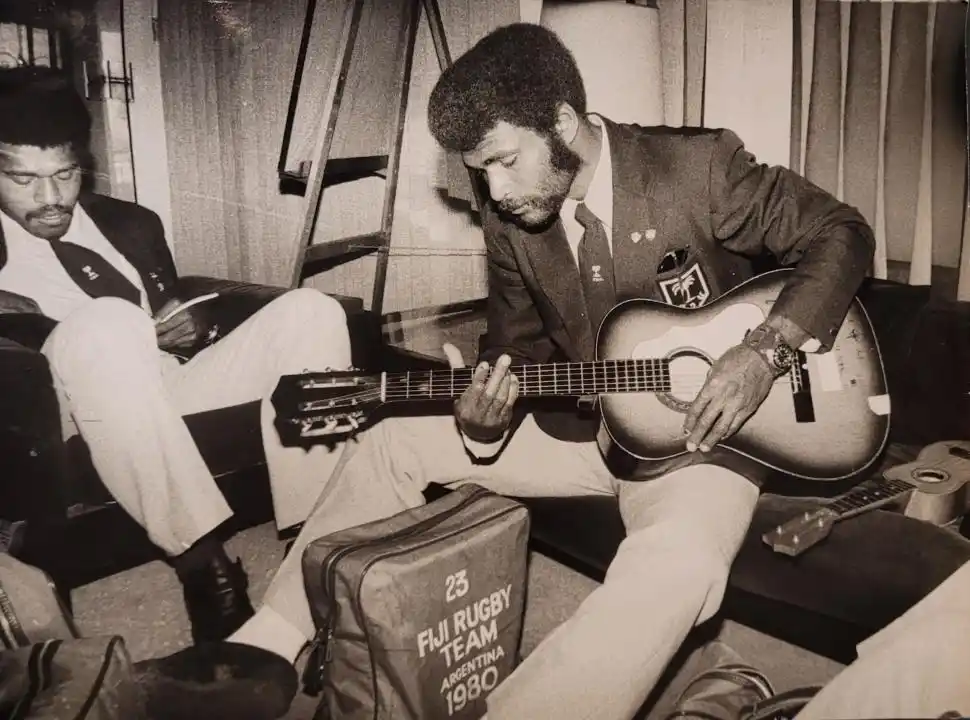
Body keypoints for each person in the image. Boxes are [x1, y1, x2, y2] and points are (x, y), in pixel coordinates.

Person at [131, 21, 884, 719]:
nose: (493, 192)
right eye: (477, 171)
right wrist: (481, 424)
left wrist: (763, 352)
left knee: (681, 563)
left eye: (504, 160)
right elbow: (514, 354)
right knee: (392, 443)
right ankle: (265, 644)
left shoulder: (699, 167)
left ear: (562, 123)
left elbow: (842, 233)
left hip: (705, 441)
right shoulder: (512, 218)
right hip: (586, 429)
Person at [0, 65, 351, 667]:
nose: (50, 198)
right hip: (61, 404)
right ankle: (206, 570)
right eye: (23, 180)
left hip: (159, 383)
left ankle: (320, 552)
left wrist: (197, 326)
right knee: (107, 323)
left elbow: (176, 307)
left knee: (311, 311)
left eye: (64, 174)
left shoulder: (131, 223)